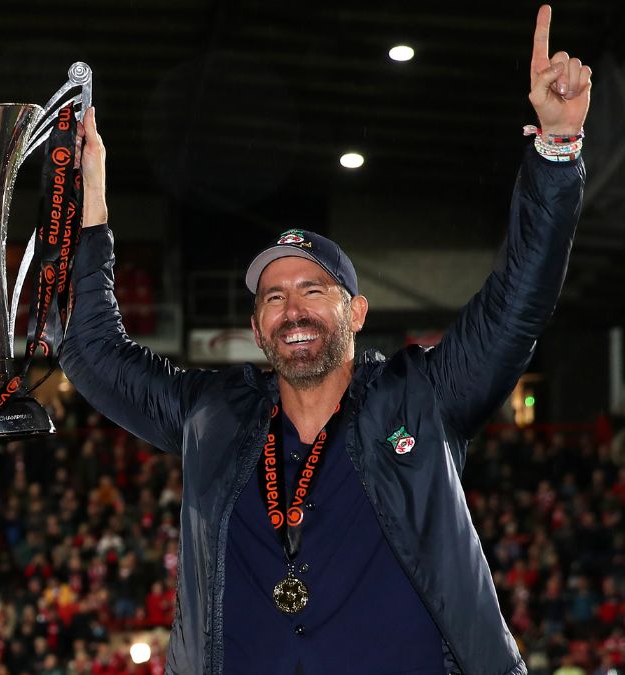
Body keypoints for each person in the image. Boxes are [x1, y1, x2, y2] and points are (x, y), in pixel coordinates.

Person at [62, 6, 589, 674]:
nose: (292, 309)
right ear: (257, 328)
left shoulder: (421, 397)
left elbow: (518, 303)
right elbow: (94, 353)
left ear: (357, 311)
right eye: (274, 297)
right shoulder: (213, 417)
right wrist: (92, 202)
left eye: (314, 289)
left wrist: (557, 150)